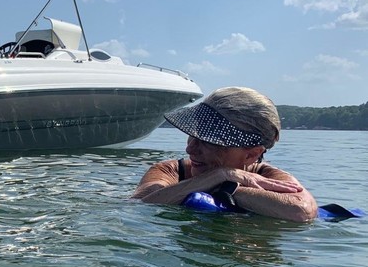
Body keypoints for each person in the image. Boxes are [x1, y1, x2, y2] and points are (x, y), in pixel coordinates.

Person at [132, 87, 317, 222]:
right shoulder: (170, 171)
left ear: (251, 155)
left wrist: (225, 188)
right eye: (193, 135)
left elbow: (302, 211)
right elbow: (141, 205)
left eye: (210, 141)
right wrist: (220, 175)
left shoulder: (269, 177)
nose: (190, 149)